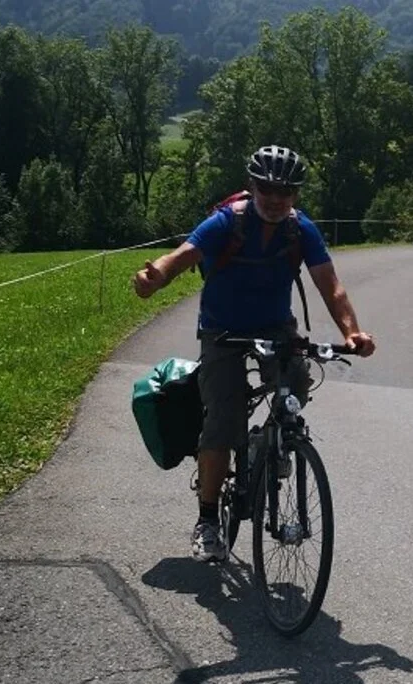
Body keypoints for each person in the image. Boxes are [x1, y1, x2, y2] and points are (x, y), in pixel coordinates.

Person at [132, 145, 376, 562]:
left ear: (296, 194)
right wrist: (156, 277)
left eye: (286, 190)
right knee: (223, 421)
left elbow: (330, 285)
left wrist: (352, 333)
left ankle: (275, 442)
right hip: (222, 330)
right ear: (252, 186)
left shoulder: (302, 230)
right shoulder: (227, 222)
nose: (276, 198)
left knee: (297, 379)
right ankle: (208, 521)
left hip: (273, 326)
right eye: (267, 188)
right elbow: (185, 254)